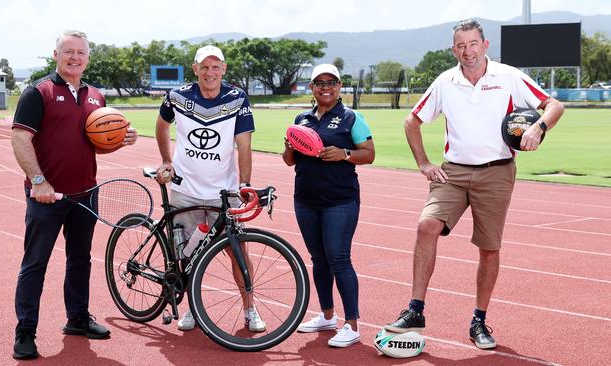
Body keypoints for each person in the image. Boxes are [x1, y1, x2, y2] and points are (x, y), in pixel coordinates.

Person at [384, 19, 564, 350]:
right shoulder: (445, 81)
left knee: (489, 247)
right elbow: (412, 121)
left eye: (473, 44)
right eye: (461, 46)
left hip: (496, 172)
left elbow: (554, 105)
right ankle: (415, 310)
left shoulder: (508, 76)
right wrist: (423, 164)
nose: (467, 51)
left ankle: (479, 320)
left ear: (485, 45)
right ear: (454, 49)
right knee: (426, 225)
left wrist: (539, 128)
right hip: (452, 172)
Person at [11, 30, 138, 359]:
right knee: (35, 264)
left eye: (81, 52)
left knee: (80, 261)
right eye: (68, 51)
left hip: (86, 194)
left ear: (87, 58)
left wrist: (118, 140)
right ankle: (25, 331)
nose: (75, 57)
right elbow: (20, 140)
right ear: (56, 55)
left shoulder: (97, 96)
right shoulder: (38, 92)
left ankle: (77, 318)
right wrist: (38, 181)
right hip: (47, 198)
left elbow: (96, 145)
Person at [155, 45, 265, 333]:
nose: (210, 72)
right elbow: (161, 125)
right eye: (204, 66)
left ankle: (250, 310)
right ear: (195, 69)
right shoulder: (177, 95)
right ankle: (192, 308)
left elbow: (244, 143)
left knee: (238, 251)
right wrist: (167, 160)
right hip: (185, 189)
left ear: (224, 69)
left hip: (223, 191)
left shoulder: (237, 97)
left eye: (216, 66)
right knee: (188, 254)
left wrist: (244, 183)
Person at [283, 64, 375, 348]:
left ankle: (352, 324)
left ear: (339, 86)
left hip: (340, 201)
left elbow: (369, 154)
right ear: (312, 87)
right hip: (306, 200)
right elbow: (290, 160)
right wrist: (289, 145)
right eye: (319, 83)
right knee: (319, 260)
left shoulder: (351, 118)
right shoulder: (302, 118)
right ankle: (326, 316)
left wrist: (344, 153)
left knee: (339, 258)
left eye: (331, 82)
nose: (325, 87)